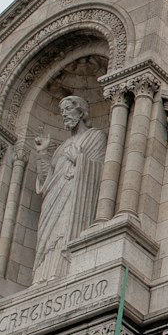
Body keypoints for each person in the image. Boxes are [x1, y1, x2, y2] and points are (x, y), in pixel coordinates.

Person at [33, 94, 106, 280]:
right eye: (62, 111)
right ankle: (42, 277)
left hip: (76, 197)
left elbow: (99, 172)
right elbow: (46, 181)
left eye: (68, 109)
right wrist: (42, 154)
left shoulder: (95, 136)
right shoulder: (60, 147)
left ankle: (61, 272)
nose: (64, 114)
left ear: (81, 111)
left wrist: (78, 159)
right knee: (49, 237)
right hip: (53, 198)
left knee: (63, 233)